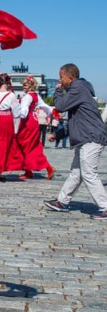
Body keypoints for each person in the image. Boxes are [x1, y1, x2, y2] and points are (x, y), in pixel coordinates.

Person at [44, 64, 107, 219]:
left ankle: (105, 206)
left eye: (61, 77)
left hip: (91, 138)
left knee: (88, 173)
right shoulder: (79, 90)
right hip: (86, 137)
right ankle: (62, 201)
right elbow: (75, 122)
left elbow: (60, 106)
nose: (60, 80)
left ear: (70, 78)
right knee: (76, 173)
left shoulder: (77, 88)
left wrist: (57, 91)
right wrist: (58, 135)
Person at [13, 76, 54, 180]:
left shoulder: (27, 97)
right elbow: (44, 106)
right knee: (31, 146)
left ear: (31, 85)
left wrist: (16, 113)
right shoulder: (36, 95)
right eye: (23, 85)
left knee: (24, 146)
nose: (23, 87)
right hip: (34, 122)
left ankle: (41, 168)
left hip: (26, 122)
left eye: (25, 85)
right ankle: (29, 170)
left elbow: (24, 111)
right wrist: (53, 112)